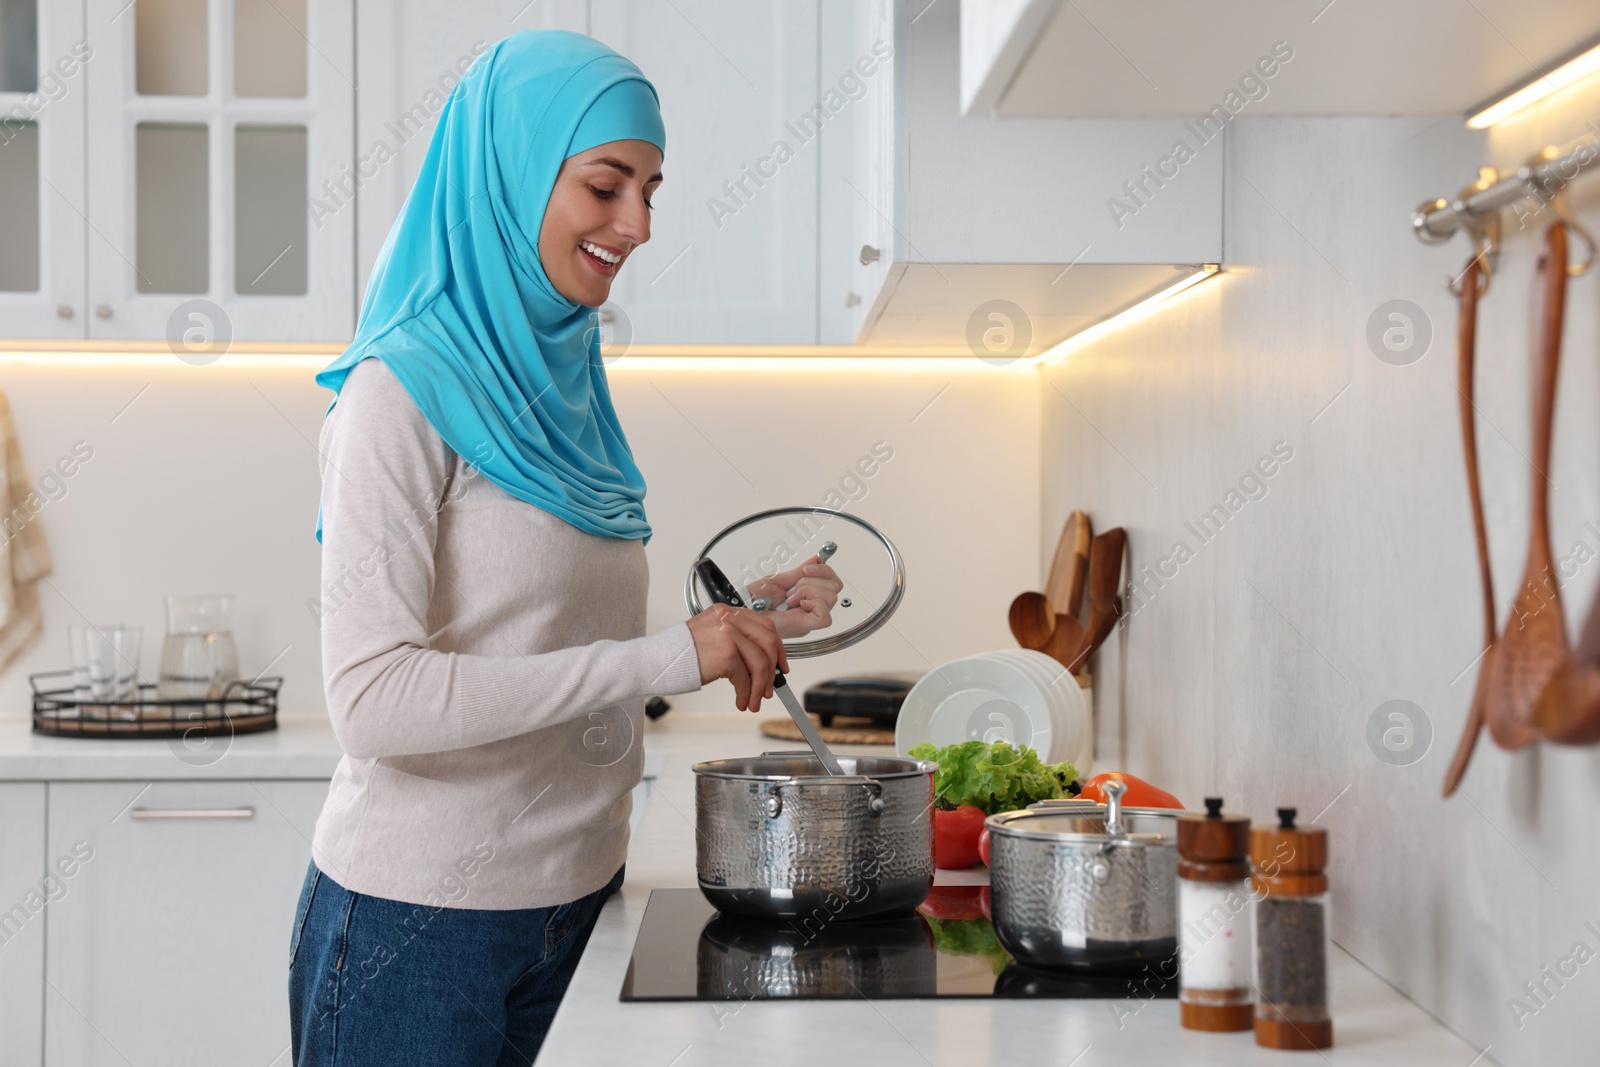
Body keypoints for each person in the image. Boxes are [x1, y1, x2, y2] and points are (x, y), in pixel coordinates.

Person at [288, 30, 840, 1065]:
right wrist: (675, 651)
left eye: (651, 190)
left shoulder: (564, 379)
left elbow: (549, 633)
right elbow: (373, 701)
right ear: (508, 171)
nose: (635, 225)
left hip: (569, 891)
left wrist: (740, 618)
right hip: (419, 920)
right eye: (603, 185)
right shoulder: (395, 395)